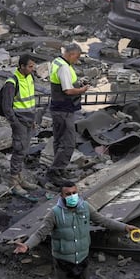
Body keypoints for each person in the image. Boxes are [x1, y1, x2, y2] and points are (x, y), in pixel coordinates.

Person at [14, 181, 139, 279]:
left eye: (74, 193)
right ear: (61, 196)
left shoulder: (85, 207)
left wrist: (124, 227)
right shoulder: (55, 214)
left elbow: (103, 221)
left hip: (82, 260)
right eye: (68, 194)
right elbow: (40, 233)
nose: (72, 196)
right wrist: (27, 245)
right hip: (63, 263)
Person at [47, 43, 89, 187]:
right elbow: (68, 91)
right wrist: (82, 90)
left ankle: (58, 169)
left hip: (57, 107)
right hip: (64, 109)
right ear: (71, 54)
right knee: (69, 142)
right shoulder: (64, 67)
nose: (77, 60)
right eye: (76, 57)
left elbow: (66, 83)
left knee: (58, 140)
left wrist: (77, 83)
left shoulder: (57, 61)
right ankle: (55, 171)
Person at [1, 54, 39, 196]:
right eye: (30, 66)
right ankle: (13, 181)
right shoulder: (12, 82)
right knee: (19, 150)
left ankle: (20, 178)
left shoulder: (30, 77)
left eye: (33, 66)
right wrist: (15, 123)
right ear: (21, 66)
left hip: (29, 121)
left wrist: (33, 119)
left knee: (24, 150)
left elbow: (30, 101)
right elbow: (7, 107)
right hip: (20, 122)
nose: (32, 69)